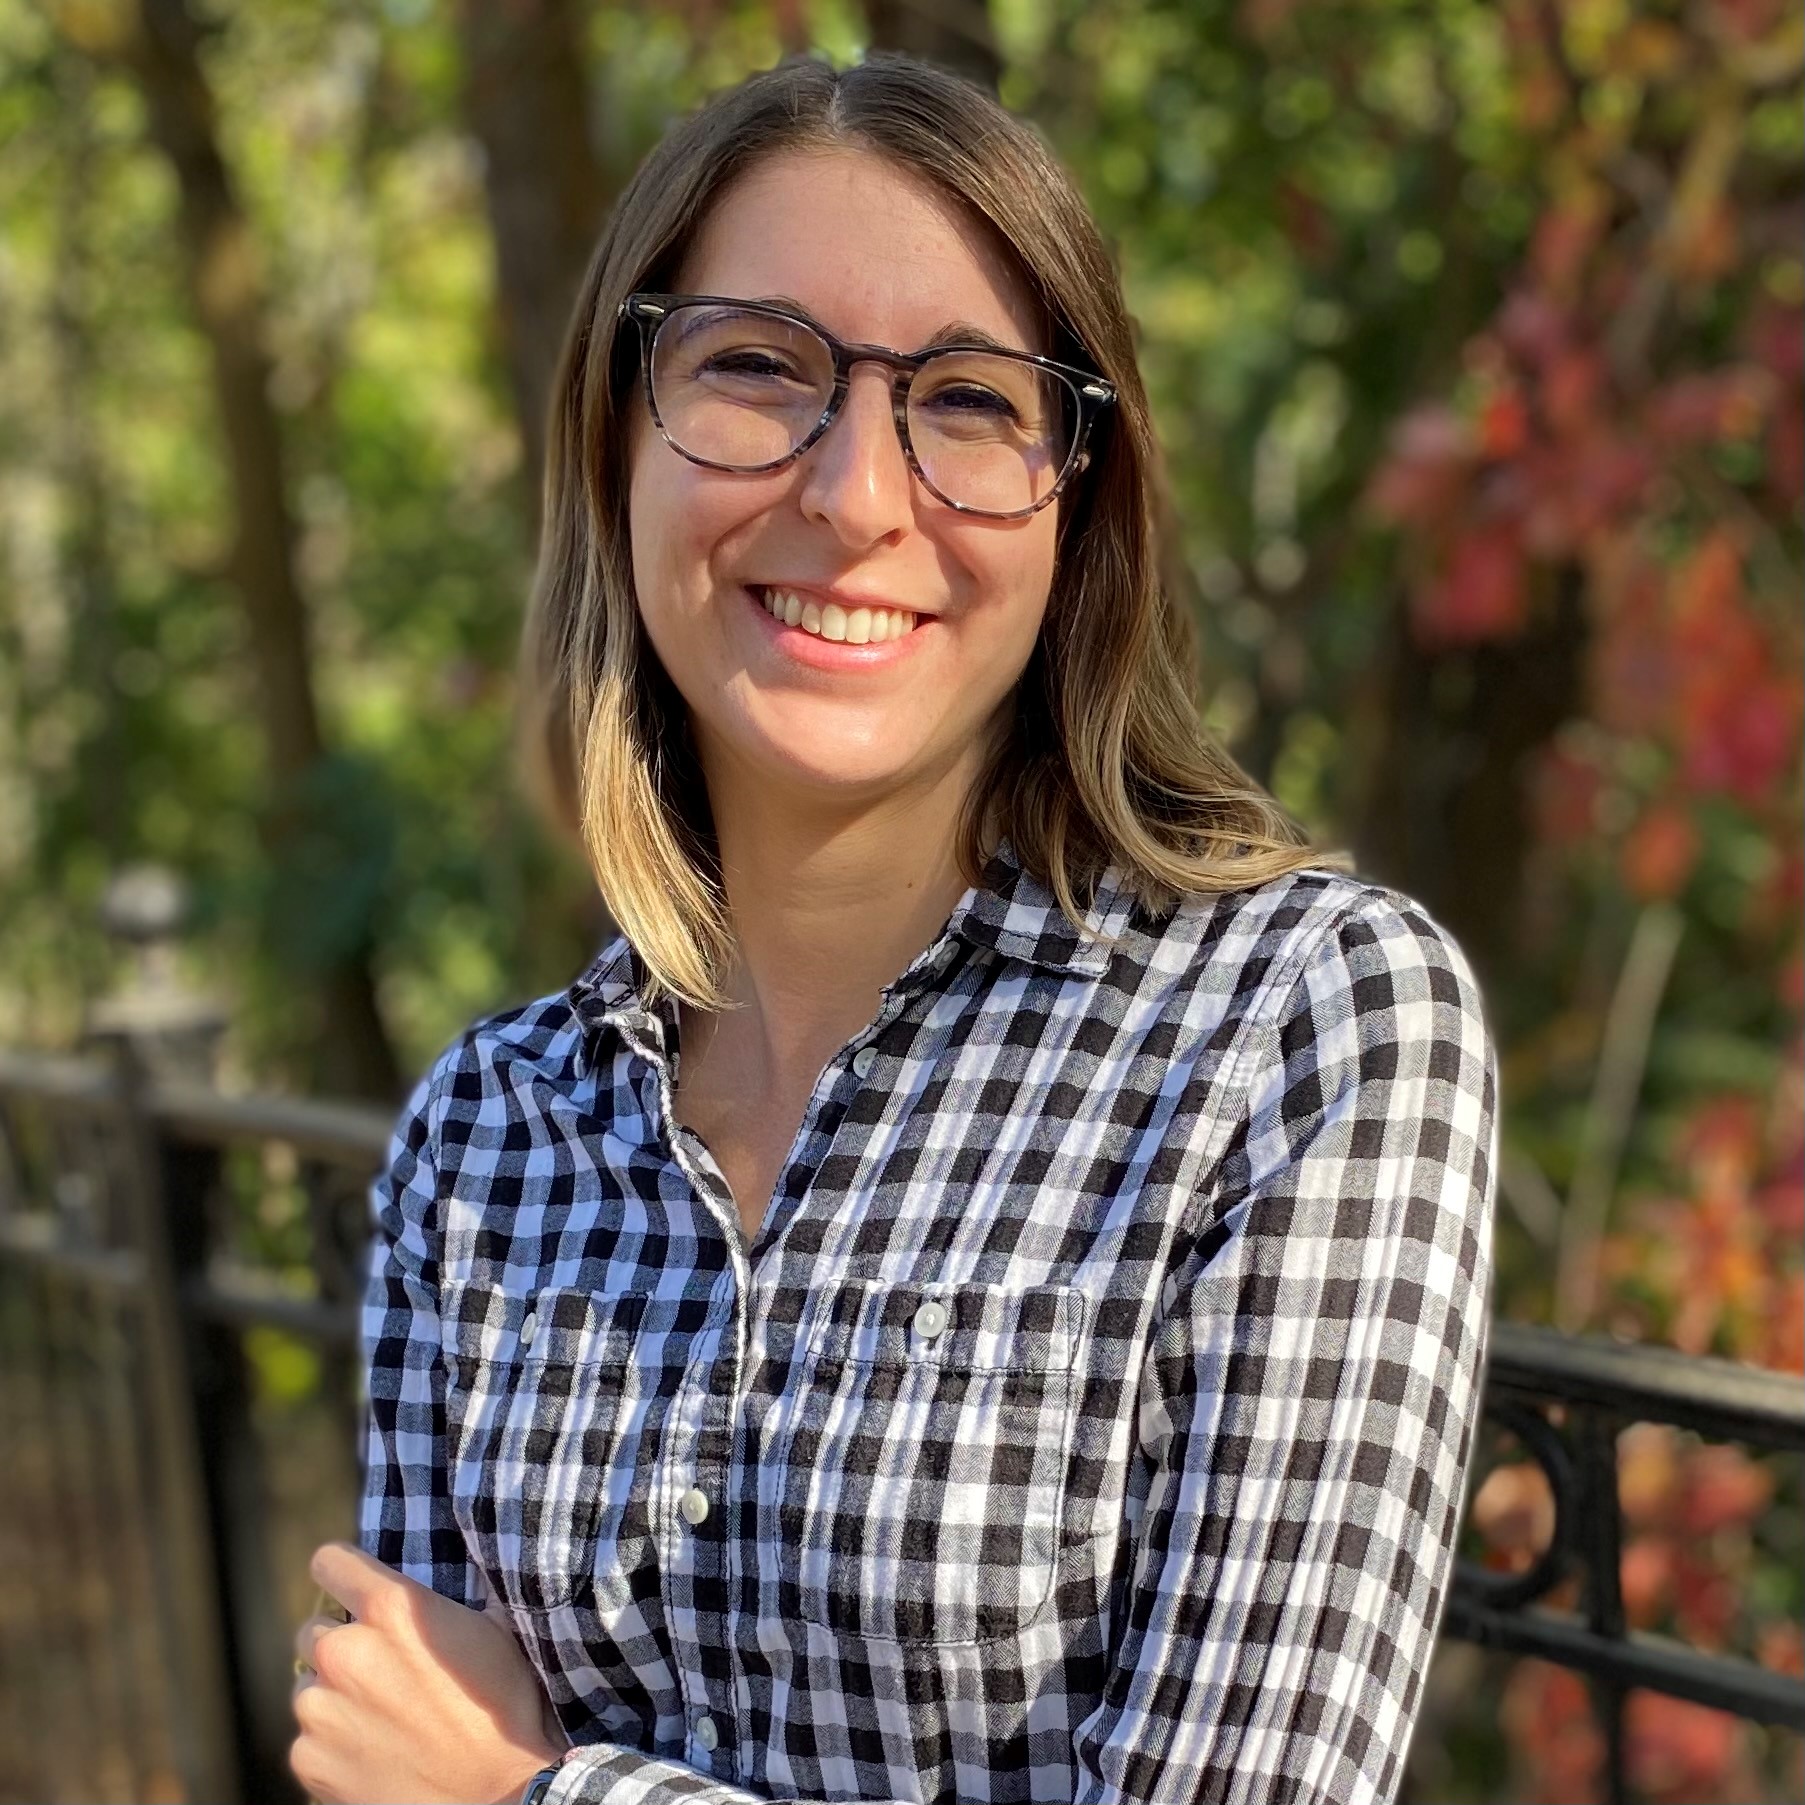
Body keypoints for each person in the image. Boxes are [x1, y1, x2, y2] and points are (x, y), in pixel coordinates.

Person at [288, 48, 1499, 1805]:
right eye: (757, 369)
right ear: (616, 443)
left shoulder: (1300, 1029)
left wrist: (533, 1790)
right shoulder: (485, 1133)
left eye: (964, 402)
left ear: (1079, 505)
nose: (856, 495)